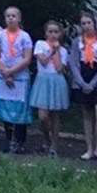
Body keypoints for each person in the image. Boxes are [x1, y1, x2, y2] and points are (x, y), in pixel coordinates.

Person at [0, 7, 34, 154]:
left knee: (19, 109)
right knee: (6, 108)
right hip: (2, 77)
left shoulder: (25, 36)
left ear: (19, 18)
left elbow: (27, 58)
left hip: (20, 78)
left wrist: (11, 71)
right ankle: (9, 139)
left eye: (14, 16)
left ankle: (20, 141)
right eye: (8, 16)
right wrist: (4, 71)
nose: (11, 18)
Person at [72, 12, 97, 161]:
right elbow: (74, 63)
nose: (86, 26)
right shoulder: (77, 42)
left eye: (89, 22)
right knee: (87, 115)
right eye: (83, 23)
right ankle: (89, 148)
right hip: (83, 77)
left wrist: (93, 83)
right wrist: (82, 83)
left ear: (94, 23)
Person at [29, 20, 71, 156]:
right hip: (43, 80)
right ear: (46, 33)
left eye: (56, 32)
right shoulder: (40, 44)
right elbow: (42, 61)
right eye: (50, 32)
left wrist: (57, 51)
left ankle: (54, 145)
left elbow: (59, 68)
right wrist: (52, 50)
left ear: (60, 34)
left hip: (56, 81)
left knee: (55, 115)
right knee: (43, 116)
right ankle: (47, 139)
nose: (53, 34)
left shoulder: (63, 50)